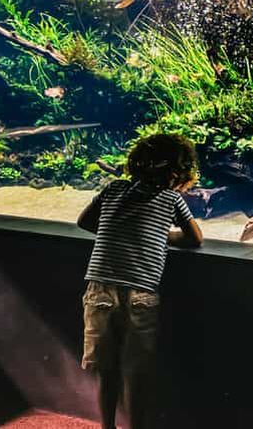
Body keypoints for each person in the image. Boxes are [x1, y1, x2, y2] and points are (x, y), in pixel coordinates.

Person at [77, 133, 204, 429]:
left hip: (100, 290)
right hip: (141, 293)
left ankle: (107, 426)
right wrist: (161, 235)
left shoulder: (113, 188)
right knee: (136, 373)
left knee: (106, 370)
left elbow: (84, 221)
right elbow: (195, 238)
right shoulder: (172, 199)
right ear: (178, 172)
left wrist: (121, 230)